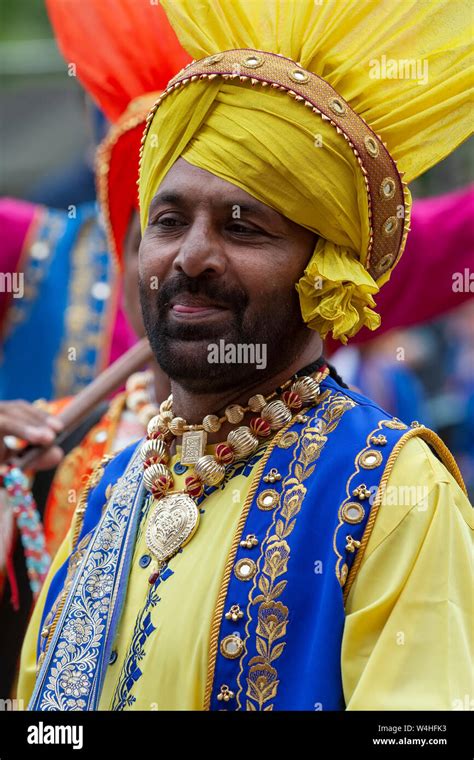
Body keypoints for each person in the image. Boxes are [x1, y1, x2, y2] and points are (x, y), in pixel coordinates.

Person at [17, 0, 474, 711]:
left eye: (243, 227)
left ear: (324, 268)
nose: (190, 257)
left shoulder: (395, 496)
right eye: (167, 222)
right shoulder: (107, 490)